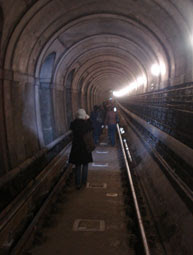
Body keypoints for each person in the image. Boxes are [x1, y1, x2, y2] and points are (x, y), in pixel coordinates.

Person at [69, 108, 93, 189]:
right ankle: (84, 182)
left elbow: (71, 126)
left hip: (76, 147)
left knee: (78, 166)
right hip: (85, 147)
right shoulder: (86, 124)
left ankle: (78, 184)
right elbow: (91, 127)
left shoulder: (74, 124)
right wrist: (88, 119)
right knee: (85, 165)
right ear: (84, 116)